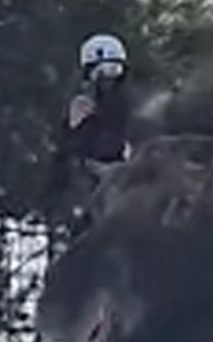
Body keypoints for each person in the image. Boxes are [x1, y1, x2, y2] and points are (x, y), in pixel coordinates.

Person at [48, 33, 136, 231]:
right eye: (101, 72)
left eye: (114, 69)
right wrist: (74, 128)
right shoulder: (81, 107)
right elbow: (64, 160)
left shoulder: (130, 106)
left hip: (126, 188)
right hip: (90, 196)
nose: (108, 78)